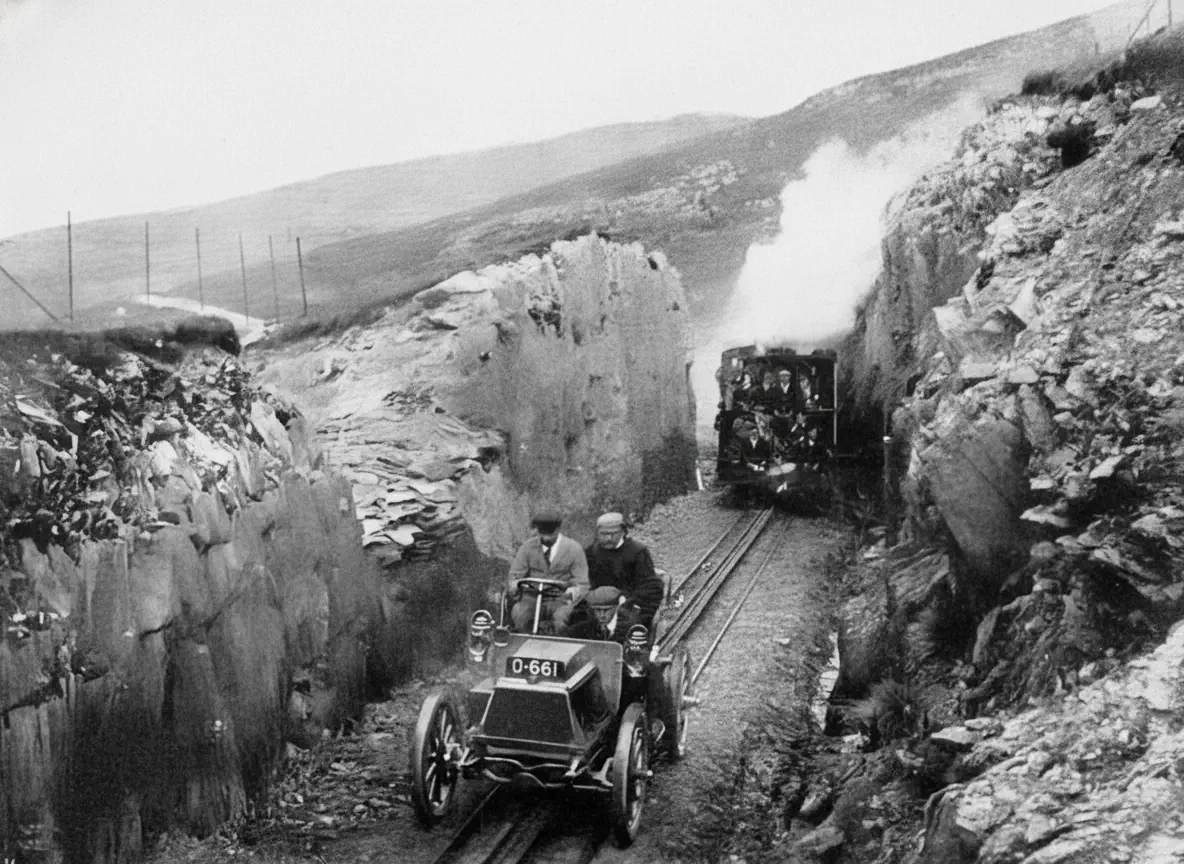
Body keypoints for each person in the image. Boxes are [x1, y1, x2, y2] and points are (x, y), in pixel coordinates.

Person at [507, 506, 588, 632]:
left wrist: (571, 593)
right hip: (531, 598)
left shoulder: (574, 549)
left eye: (550, 533)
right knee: (520, 613)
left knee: (563, 618)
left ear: (558, 529)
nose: (545, 538)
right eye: (542, 533)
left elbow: (582, 583)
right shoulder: (527, 548)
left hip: (560, 599)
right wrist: (515, 585)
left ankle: (560, 642)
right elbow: (514, 576)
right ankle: (524, 641)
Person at [583, 512, 665, 627]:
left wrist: (627, 605)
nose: (609, 538)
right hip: (598, 607)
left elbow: (650, 587)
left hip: (628, 605)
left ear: (622, 532)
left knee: (627, 626)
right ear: (597, 533)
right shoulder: (591, 553)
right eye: (604, 534)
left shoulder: (637, 552)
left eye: (613, 534)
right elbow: (584, 583)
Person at [562, 585, 644, 641]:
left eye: (606, 610)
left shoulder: (631, 630)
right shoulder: (585, 628)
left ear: (617, 607)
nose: (602, 615)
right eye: (597, 610)